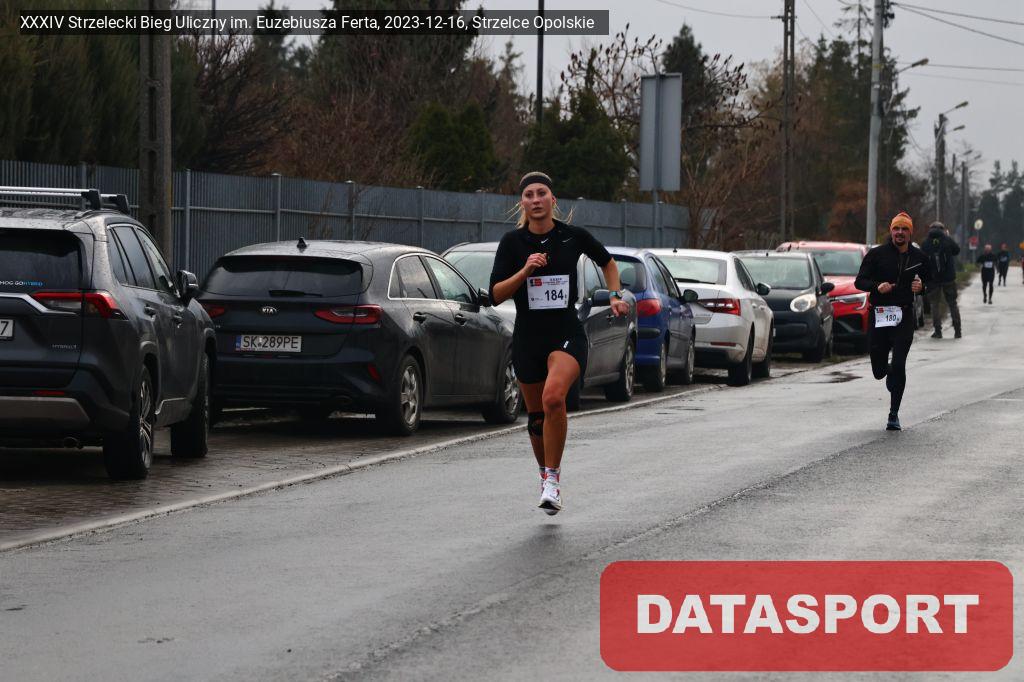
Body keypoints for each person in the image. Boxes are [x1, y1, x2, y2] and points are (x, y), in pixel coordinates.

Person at [489, 171, 628, 515]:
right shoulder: (512, 243)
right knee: (537, 417)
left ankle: (553, 479)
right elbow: (495, 295)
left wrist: (615, 295)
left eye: (542, 193)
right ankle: (545, 476)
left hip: (566, 331)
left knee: (553, 398)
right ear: (522, 203)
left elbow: (608, 263)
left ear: (553, 200)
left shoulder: (573, 236)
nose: (536, 200)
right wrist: (524, 271)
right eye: (529, 195)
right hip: (528, 337)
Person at [855, 211, 934, 431]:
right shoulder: (876, 254)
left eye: (904, 229)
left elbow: (931, 281)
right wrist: (876, 286)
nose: (900, 232)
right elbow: (859, 281)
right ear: (891, 231)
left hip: (903, 316)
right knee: (879, 371)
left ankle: (893, 414)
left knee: (899, 364)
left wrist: (922, 287)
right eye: (896, 228)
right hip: (879, 316)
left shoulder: (919, 257)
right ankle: (888, 372)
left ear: (910, 232)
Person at [920, 221, 962, 339]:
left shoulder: (926, 243)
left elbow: (922, 259)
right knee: (952, 304)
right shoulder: (947, 240)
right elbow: (957, 250)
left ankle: (938, 331)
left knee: (935, 305)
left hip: (933, 279)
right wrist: (948, 237)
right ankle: (957, 331)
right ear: (943, 229)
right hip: (949, 278)